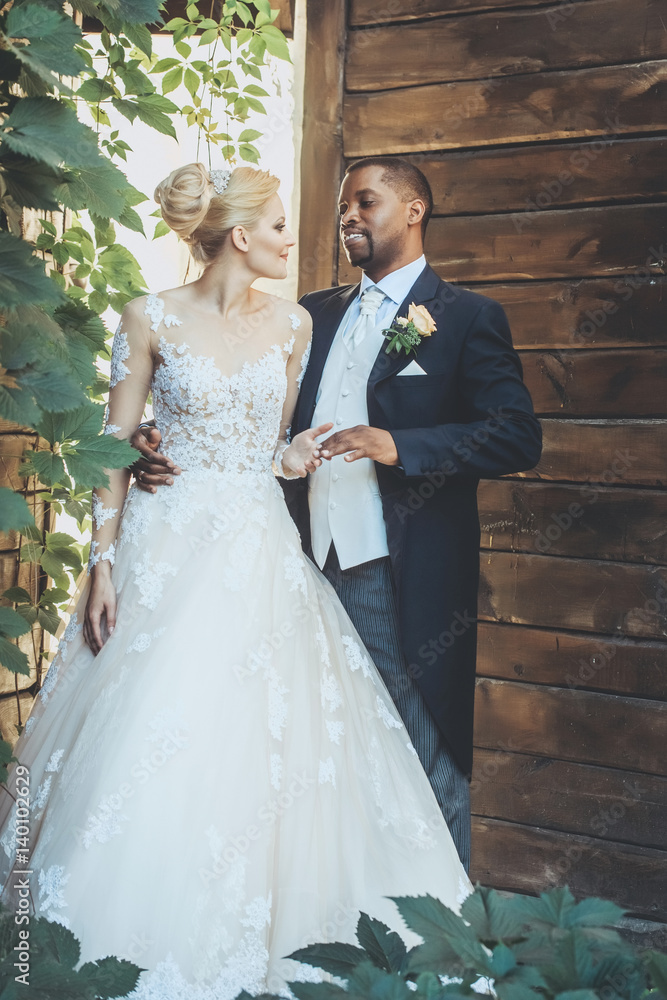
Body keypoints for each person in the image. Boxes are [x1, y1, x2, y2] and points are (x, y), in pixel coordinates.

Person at [0, 164, 471, 999]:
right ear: (243, 235)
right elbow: (114, 450)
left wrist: (293, 457)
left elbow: (271, 448)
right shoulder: (148, 317)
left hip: (257, 545)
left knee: (261, 734)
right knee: (153, 723)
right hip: (163, 544)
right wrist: (102, 562)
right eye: (285, 224)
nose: (299, 237)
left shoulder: (293, 325)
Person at [133, 156, 543, 873]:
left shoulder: (466, 317)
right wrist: (155, 440)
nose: (348, 216)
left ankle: (445, 943)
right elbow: (241, 410)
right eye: (342, 206)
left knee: (416, 743)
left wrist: (398, 445)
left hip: (389, 567)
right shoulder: (308, 315)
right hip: (285, 561)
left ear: (414, 210)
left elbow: (515, 434)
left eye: (366, 202)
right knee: (301, 746)